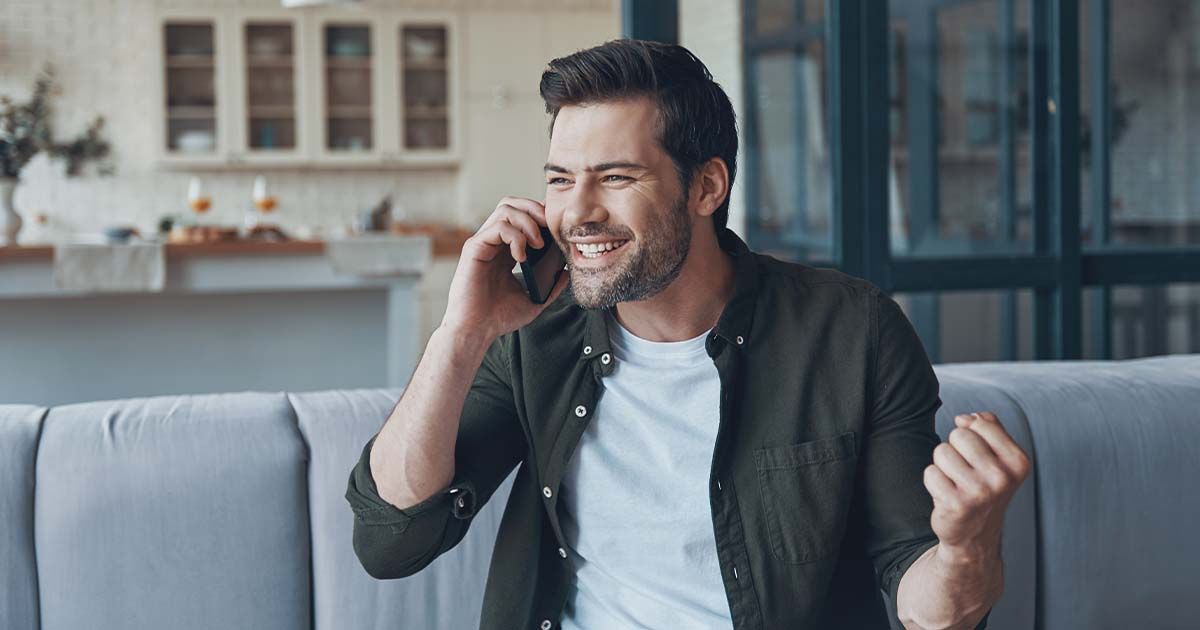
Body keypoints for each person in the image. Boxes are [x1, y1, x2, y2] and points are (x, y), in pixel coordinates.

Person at [345, 39, 1029, 629]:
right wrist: (462, 332)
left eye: (615, 178)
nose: (576, 212)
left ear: (706, 188)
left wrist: (968, 547)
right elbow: (392, 541)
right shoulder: (532, 333)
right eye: (560, 179)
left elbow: (926, 606)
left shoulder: (853, 331)